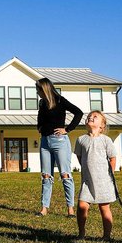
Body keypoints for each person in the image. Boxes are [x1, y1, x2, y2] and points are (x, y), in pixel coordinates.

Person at [35, 77, 83, 217]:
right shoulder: (42, 103)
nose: (37, 92)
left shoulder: (60, 100)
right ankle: (44, 208)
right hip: (45, 142)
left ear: (45, 88)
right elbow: (40, 118)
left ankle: (70, 209)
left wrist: (67, 129)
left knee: (65, 174)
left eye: (38, 89)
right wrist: (40, 128)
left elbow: (78, 112)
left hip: (60, 142)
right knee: (46, 175)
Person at [74, 110, 117, 240]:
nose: (90, 118)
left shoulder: (106, 140)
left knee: (104, 208)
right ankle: (81, 233)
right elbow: (80, 157)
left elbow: (112, 158)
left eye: (95, 117)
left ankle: (106, 236)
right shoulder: (81, 140)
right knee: (82, 207)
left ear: (102, 126)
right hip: (87, 181)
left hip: (104, 181)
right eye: (89, 117)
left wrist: (110, 174)